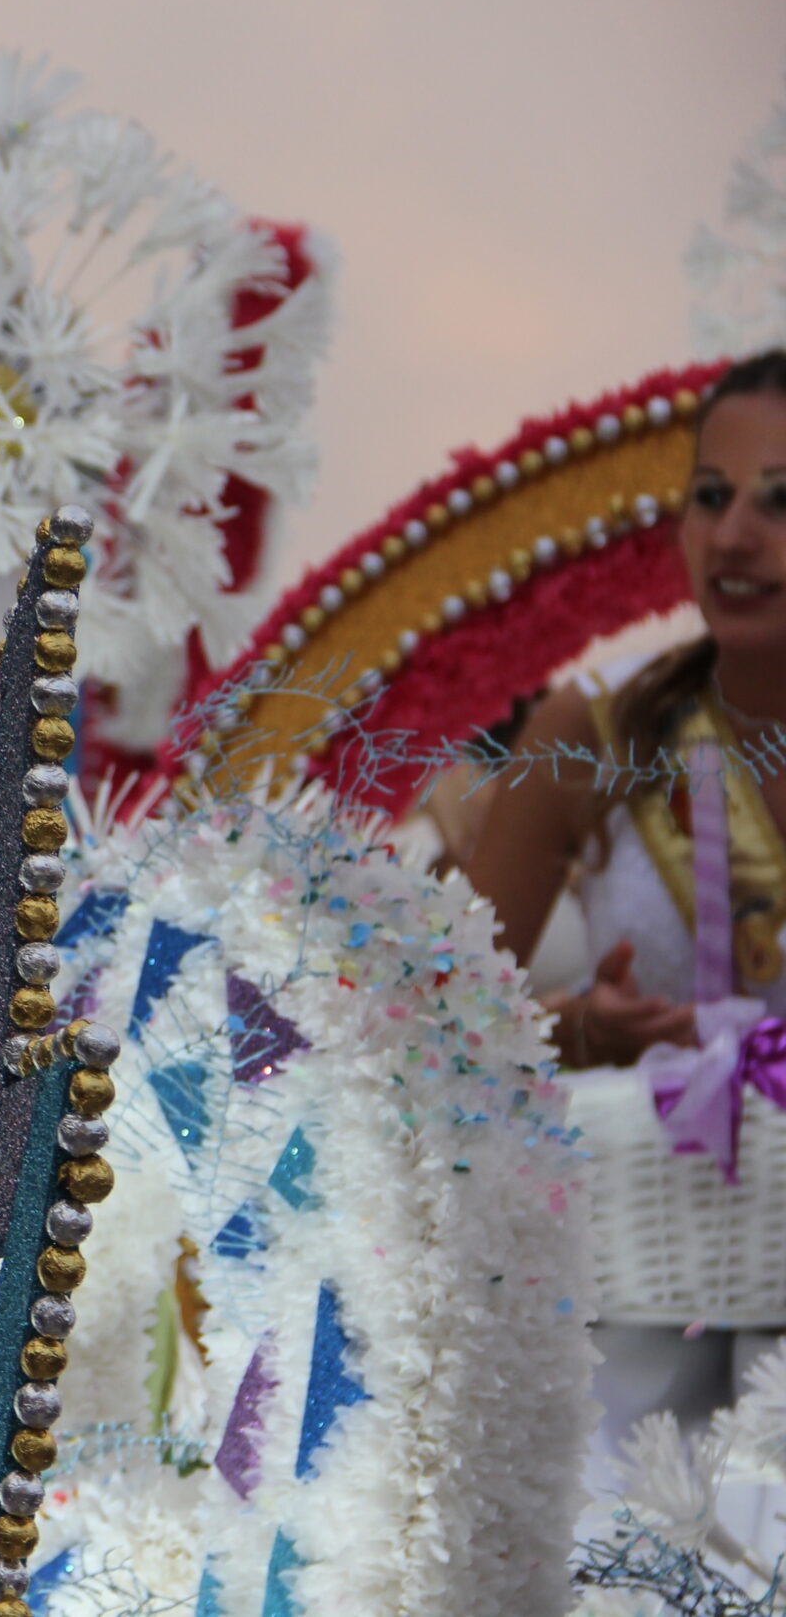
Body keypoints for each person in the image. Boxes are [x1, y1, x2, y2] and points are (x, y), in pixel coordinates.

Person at [467, 349, 786, 1530]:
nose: (734, 535)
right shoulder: (590, 732)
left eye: (779, 499)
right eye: (711, 496)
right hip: (634, 1335)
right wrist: (576, 1029)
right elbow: (416, 1023)